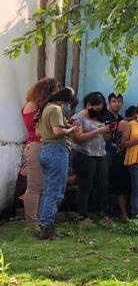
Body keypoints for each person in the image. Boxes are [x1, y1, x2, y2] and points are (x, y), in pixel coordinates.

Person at [37, 88, 79, 239]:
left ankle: (44, 224)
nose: (69, 106)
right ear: (65, 100)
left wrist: (65, 127)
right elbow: (57, 131)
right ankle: (47, 228)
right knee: (55, 191)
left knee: (49, 189)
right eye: (69, 103)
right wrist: (72, 129)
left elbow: (39, 133)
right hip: (57, 150)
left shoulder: (45, 109)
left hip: (46, 150)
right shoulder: (56, 109)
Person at [21, 78, 61, 226]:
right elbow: (37, 131)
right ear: (46, 91)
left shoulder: (41, 106)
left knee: (42, 187)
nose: (56, 94)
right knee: (34, 187)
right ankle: (31, 223)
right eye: (54, 91)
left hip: (43, 147)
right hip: (36, 147)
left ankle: (39, 219)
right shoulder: (32, 105)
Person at [70, 93, 111, 221]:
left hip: (100, 154)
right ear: (88, 105)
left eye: (100, 109)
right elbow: (77, 138)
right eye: (96, 109)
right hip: (84, 155)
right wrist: (97, 131)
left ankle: (101, 212)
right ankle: (82, 215)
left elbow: (106, 138)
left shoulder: (100, 118)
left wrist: (107, 132)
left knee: (102, 185)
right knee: (85, 185)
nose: (98, 111)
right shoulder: (78, 118)